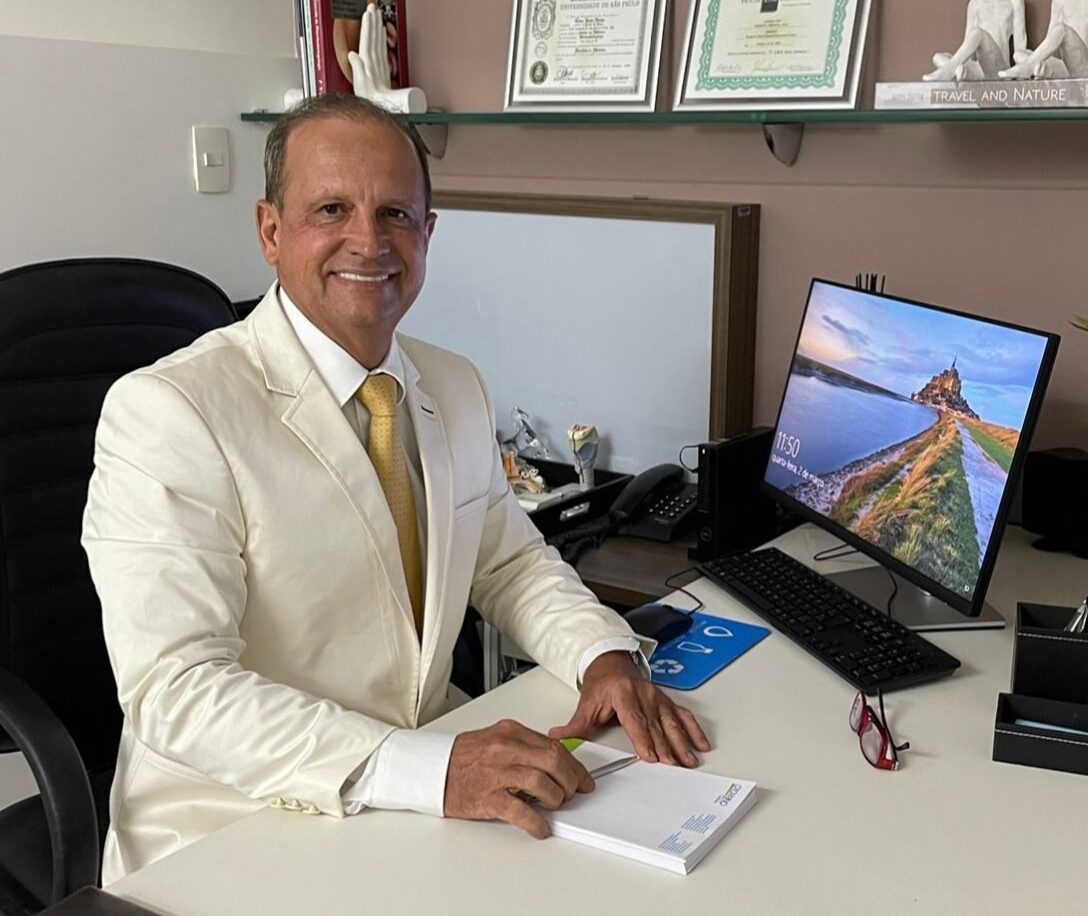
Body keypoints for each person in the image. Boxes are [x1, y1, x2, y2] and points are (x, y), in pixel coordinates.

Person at [82, 93, 709, 883]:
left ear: (427, 234)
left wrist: (602, 655)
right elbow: (177, 689)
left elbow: (508, 563)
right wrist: (429, 769)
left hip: (421, 784)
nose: (368, 241)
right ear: (270, 231)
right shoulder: (171, 410)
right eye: (331, 209)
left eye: (395, 215)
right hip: (236, 821)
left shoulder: (452, 383)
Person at [922, 0, 1027, 82]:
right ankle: (962, 72)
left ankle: (951, 71)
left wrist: (1021, 77)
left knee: (978, 33)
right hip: (979, 69)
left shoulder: (1014, 2)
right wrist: (966, 66)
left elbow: (1020, 48)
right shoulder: (975, 4)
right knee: (938, 57)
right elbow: (968, 48)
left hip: (999, 69)